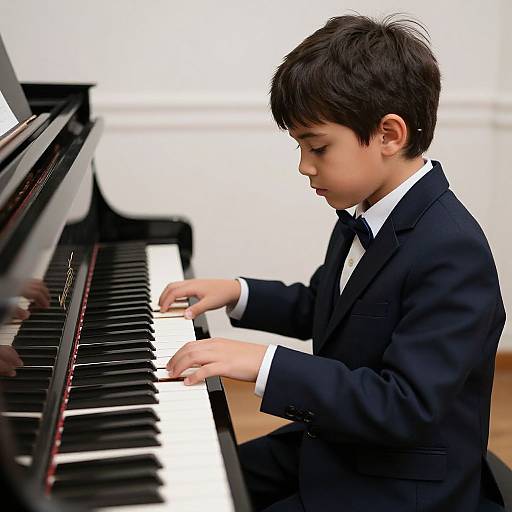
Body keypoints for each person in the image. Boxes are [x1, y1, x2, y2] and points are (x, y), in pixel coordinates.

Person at [159, 14, 506, 512]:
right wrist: (238, 292)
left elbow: (403, 405)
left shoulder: (453, 251)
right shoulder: (364, 210)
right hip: (341, 443)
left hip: (398, 482)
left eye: (317, 146)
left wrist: (262, 363)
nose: (304, 165)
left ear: (389, 134)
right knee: (200, 486)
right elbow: (327, 306)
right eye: (299, 146)